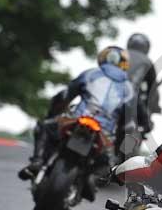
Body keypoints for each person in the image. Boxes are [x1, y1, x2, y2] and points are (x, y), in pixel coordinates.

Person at [18, 46, 135, 182]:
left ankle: (37, 161)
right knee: (112, 156)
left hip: (79, 118)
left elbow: (65, 95)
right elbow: (132, 118)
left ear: (106, 58)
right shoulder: (129, 88)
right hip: (104, 132)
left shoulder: (91, 73)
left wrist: (53, 115)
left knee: (44, 126)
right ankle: (100, 176)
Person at [125, 33, 160, 134]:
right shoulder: (147, 61)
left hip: (108, 90)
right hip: (130, 96)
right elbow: (152, 88)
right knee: (146, 125)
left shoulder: (120, 53)